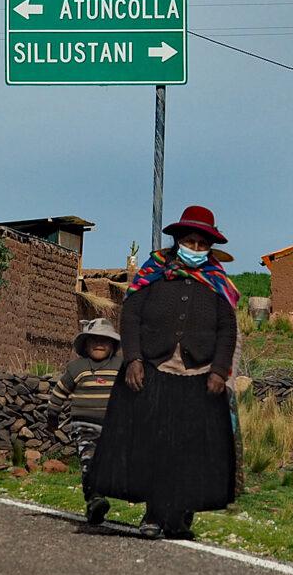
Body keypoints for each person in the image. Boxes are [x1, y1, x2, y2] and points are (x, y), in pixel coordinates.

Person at [86, 204, 239, 541]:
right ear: (177, 240)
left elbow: (228, 330)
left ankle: (180, 517)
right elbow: (131, 317)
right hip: (155, 371)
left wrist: (218, 370)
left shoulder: (218, 283)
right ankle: (154, 515)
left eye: (202, 244)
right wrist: (135, 359)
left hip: (198, 379)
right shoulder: (152, 273)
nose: (196, 249)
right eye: (190, 242)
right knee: (155, 447)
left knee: (189, 451)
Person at [56, 318, 123, 525]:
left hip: (115, 428)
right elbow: (59, 394)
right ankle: (95, 500)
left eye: (105, 340)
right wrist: (52, 416)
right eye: (93, 340)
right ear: (85, 345)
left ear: (113, 345)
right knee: (89, 462)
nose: (99, 344)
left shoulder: (121, 366)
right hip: (85, 427)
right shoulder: (77, 368)